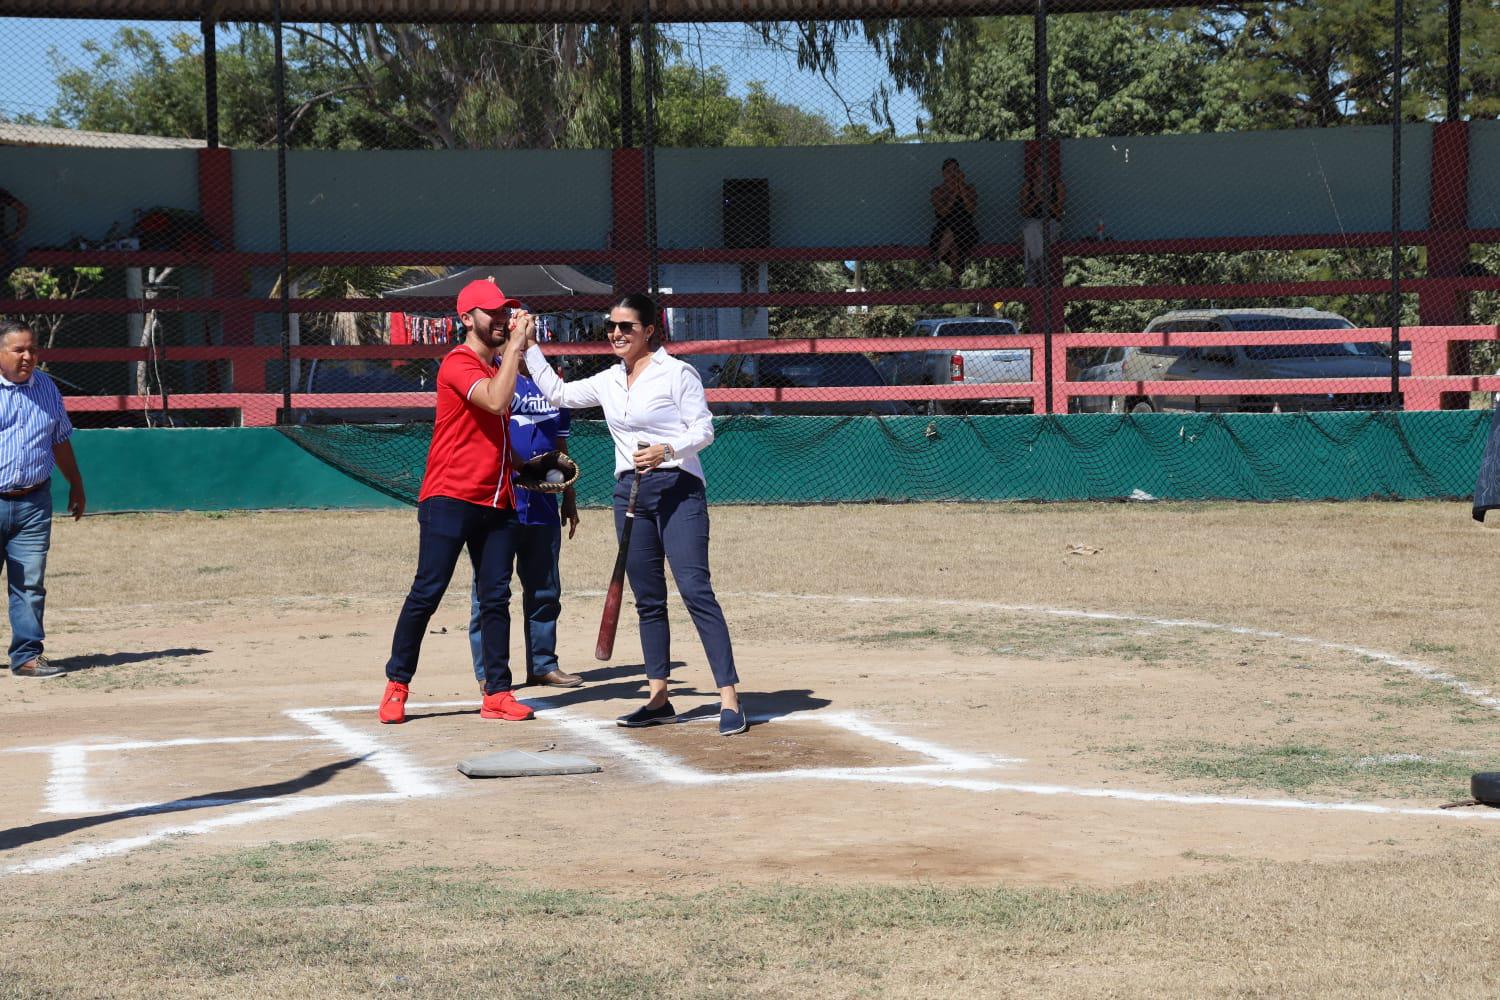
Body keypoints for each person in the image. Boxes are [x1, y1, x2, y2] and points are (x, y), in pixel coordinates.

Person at [521, 293, 748, 736]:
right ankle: (658, 697)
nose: (617, 334)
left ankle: (729, 698)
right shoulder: (609, 379)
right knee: (648, 600)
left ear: (649, 331)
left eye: (626, 327)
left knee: (695, 590)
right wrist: (529, 345)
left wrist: (668, 449)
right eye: (611, 326)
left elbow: (704, 429)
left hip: (677, 488)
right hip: (630, 493)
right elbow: (558, 392)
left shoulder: (677, 373)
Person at [378, 279, 535, 725]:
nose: (503, 319)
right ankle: (397, 685)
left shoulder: (500, 365)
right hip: (450, 496)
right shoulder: (458, 363)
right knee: (427, 592)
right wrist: (518, 350)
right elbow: (496, 401)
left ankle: (498, 692)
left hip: (497, 498)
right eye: (493, 312)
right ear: (467, 319)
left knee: (496, 598)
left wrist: (529, 467)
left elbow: (495, 432)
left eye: (506, 311)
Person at [467, 364, 582, 692]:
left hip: (542, 506)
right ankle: (489, 671)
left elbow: (561, 448)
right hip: (498, 503)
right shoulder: (494, 384)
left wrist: (569, 498)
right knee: (489, 592)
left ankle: (543, 664)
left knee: (545, 589)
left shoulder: (554, 387)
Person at [0, 320, 85, 678]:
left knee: (30, 583)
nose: (27, 356)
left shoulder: (47, 388)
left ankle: (27, 657)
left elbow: (60, 439)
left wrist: (76, 484)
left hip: (35, 500)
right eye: (18, 349)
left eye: (32, 349)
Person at [928, 158, 979, 277]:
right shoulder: (938, 191)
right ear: (943, 173)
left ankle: (936, 259)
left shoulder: (969, 188)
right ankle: (955, 282)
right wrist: (955, 193)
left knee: (956, 236)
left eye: (955, 170)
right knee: (954, 241)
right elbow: (943, 212)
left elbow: (971, 209)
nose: (952, 173)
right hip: (943, 229)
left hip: (966, 228)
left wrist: (961, 186)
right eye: (949, 171)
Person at [1020, 156, 1065, 286]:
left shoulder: (1058, 185)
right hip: (1033, 222)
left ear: (1049, 168)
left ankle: (1031, 277)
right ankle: (1044, 273)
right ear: (1035, 168)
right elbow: (1024, 212)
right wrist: (1037, 199)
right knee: (1032, 228)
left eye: (1044, 164)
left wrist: (1047, 200)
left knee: (1031, 236)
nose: (1042, 168)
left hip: (1052, 224)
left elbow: (1059, 214)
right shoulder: (1028, 185)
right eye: (1039, 164)